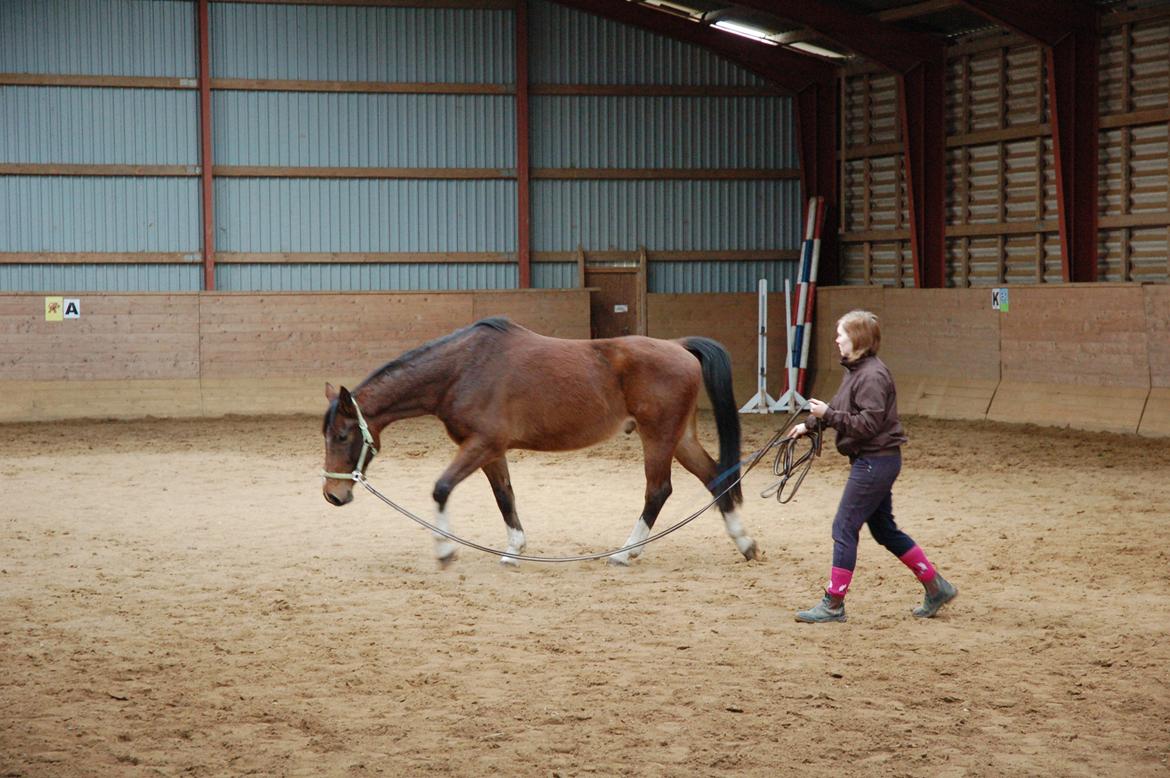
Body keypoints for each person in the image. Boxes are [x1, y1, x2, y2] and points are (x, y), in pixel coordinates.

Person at [787, 310, 957, 623]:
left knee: (844, 526)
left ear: (859, 339)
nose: (837, 339)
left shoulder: (873, 376)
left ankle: (833, 603)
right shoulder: (857, 371)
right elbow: (839, 407)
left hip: (874, 461)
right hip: (876, 461)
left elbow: (866, 424)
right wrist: (810, 425)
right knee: (884, 530)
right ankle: (936, 588)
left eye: (842, 334)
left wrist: (827, 416)